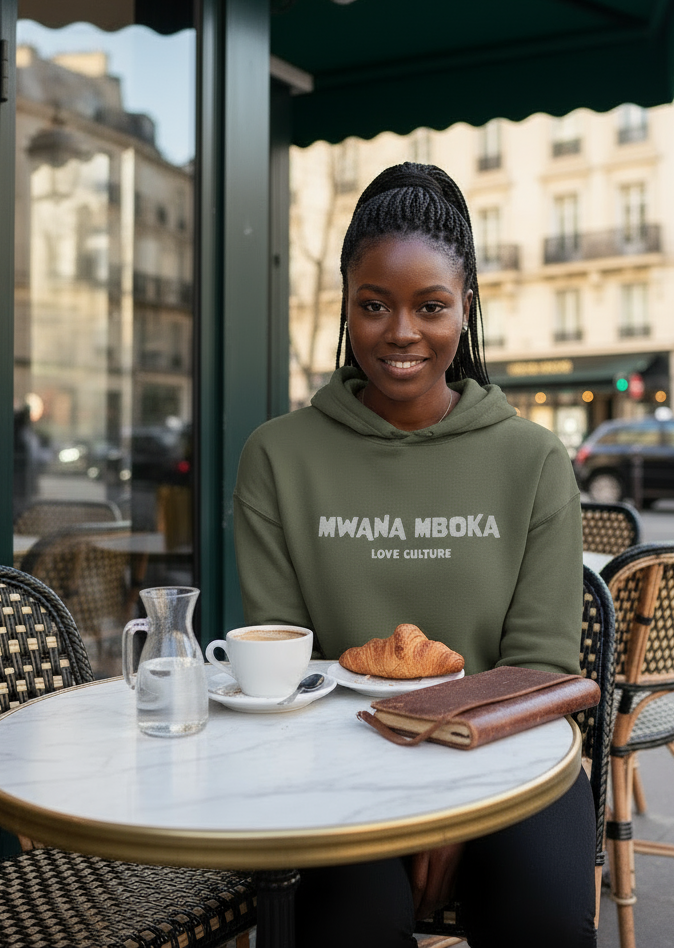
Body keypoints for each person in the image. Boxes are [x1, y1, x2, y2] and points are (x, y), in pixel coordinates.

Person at [234, 163, 594, 948]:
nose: (401, 333)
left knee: (550, 918)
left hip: (507, 752)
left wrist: (455, 811)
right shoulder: (278, 455)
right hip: (330, 757)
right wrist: (397, 802)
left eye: (430, 306)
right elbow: (287, 662)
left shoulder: (532, 459)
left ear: (466, 307)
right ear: (347, 308)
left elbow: (538, 662)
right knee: (342, 926)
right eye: (374, 306)